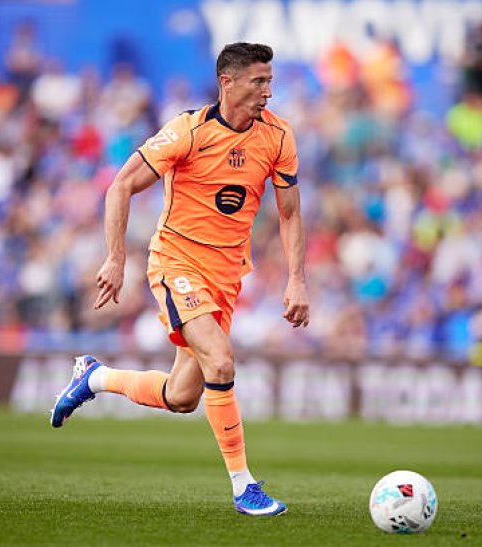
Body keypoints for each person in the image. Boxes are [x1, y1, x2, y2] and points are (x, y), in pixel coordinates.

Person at [51, 42, 309, 517]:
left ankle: (95, 377)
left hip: (227, 276)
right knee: (222, 363)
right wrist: (115, 258)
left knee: (183, 396)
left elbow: (290, 213)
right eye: (259, 81)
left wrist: (297, 279)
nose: (268, 91)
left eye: (270, 81)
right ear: (227, 82)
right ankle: (244, 486)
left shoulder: (278, 136)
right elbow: (121, 184)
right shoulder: (187, 132)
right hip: (177, 263)